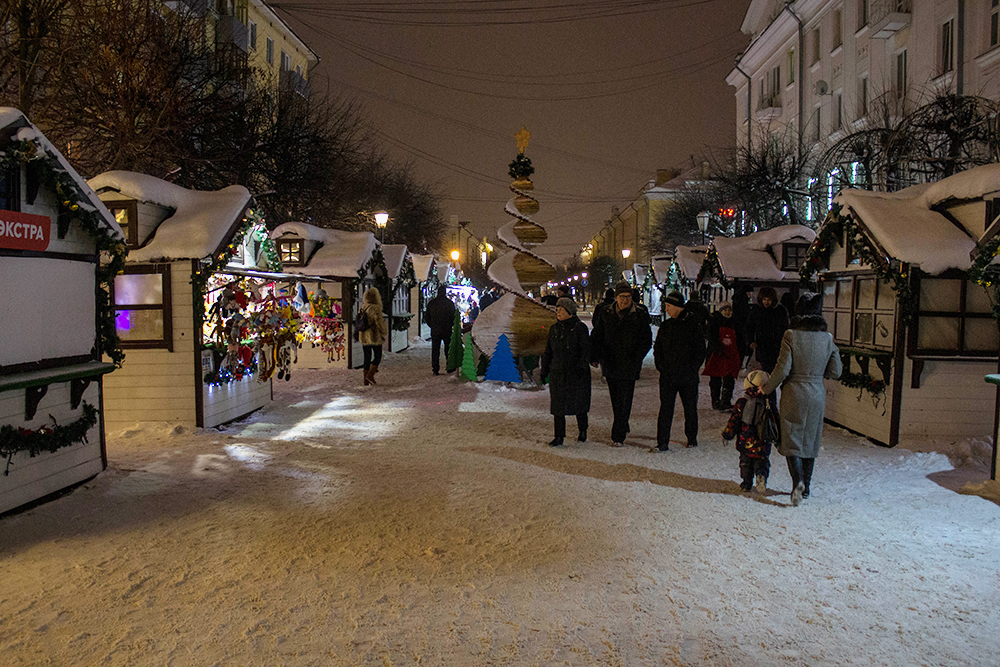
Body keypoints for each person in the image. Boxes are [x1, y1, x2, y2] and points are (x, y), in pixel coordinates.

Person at [760, 292, 842, 506]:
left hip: (794, 393)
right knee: (810, 440)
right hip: (816, 394)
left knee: (791, 439)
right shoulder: (828, 338)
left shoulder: (791, 335)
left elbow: (782, 369)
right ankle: (807, 486)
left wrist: (767, 388)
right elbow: (836, 371)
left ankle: (797, 482)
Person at [590, 280, 653, 447]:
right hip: (610, 362)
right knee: (616, 397)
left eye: (628, 296)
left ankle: (618, 434)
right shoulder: (606, 313)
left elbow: (646, 340)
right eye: (622, 296)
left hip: (630, 363)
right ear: (616, 298)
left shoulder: (639, 314)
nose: (625, 300)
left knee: (626, 397)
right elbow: (597, 336)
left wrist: (637, 357)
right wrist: (596, 356)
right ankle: (623, 422)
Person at [650, 290, 706, 452]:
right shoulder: (666, 326)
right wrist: (660, 365)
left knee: (690, 408)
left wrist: (692, 368)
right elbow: (658, 348)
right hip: (668, 376)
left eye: (668, 306)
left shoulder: (693, 325)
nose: (666, 309)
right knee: (666, 409)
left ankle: (692, 437)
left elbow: (700, 350)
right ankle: (662, 441)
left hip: (687, 376)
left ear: (677, 307)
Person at [540, 297, 591, 447]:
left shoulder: (579, 328)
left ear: (570, 312)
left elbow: (585, 350)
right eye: (558, 309)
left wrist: (581, 366)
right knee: (558, 406)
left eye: (562, 309)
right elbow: (548, 351)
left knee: (579, 403)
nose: (559, 312)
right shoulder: (554, 329)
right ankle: (559, 435)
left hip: (576, 373)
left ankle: (582, 430)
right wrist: (545, 370)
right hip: (558, 373)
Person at [722, 369, 776, 493]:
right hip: (762, 441)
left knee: (745, 463)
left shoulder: (742, 403)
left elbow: (734, 421)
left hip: (745, 441)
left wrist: (727, 434)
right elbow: (775, 421)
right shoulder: (769, 404)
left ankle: (746, 483)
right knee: (761, 462)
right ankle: (761, 476)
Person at [703, 302, 742, 411]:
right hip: (716, 354)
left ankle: (726, 400)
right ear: (721, 311)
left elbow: (740, 338)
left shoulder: (735, 322)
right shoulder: (714, 321)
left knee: (729, 378)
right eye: (725, 310)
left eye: (729, 310)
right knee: (716, 378)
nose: (728, 312)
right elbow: (711, 336)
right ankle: (715, 401)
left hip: (730, 355)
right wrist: (718, 348)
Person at [746, 286, 789, 373]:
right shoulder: (756, 310)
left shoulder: (780, 311)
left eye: (769, 300)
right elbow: (749, 326)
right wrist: (751, 341)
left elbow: (785, 328)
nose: (766, 302)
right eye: (764, 299)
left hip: (776, 345)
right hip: (761, 345)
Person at [358, 287, 388, 386]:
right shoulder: (376, 308)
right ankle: (370, 375)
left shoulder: (363, 307)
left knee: (367, 357)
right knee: (378, 356)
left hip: (364, 335)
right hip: (374, 335)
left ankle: (365, 379)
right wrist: (383, 332)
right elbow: (379, 322)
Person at [424, 285, 456, 375]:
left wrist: (432, 325)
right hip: (447, 329)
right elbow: (453, 317)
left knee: (435, 350)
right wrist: (451, 325)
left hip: (435, 330)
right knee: (448, 349)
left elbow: (427, 317)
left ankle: (435, 368)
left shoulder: (432, 303)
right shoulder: (449, 303)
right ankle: (449, 367)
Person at [731, 283, 753, 364]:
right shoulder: (743, 300)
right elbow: (744, 314)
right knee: (742, 345)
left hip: (738, 325)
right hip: (742, 326)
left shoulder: (737, 298)